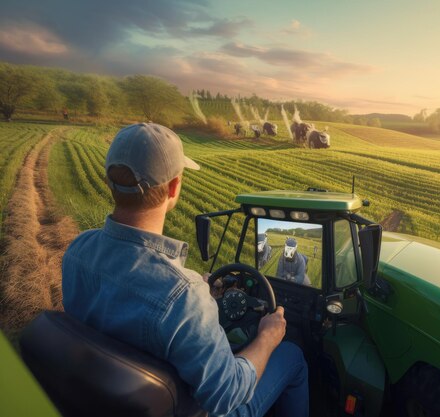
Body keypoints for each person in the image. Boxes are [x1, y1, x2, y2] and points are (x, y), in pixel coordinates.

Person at [62, 123, 309, 417]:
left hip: (106, 400)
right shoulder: (184, 297)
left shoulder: (78, 251)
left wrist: (198, 295)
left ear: (108, 180)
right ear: (174, 187)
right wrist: (267, 338)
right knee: (291, 355)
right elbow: (228, 395)